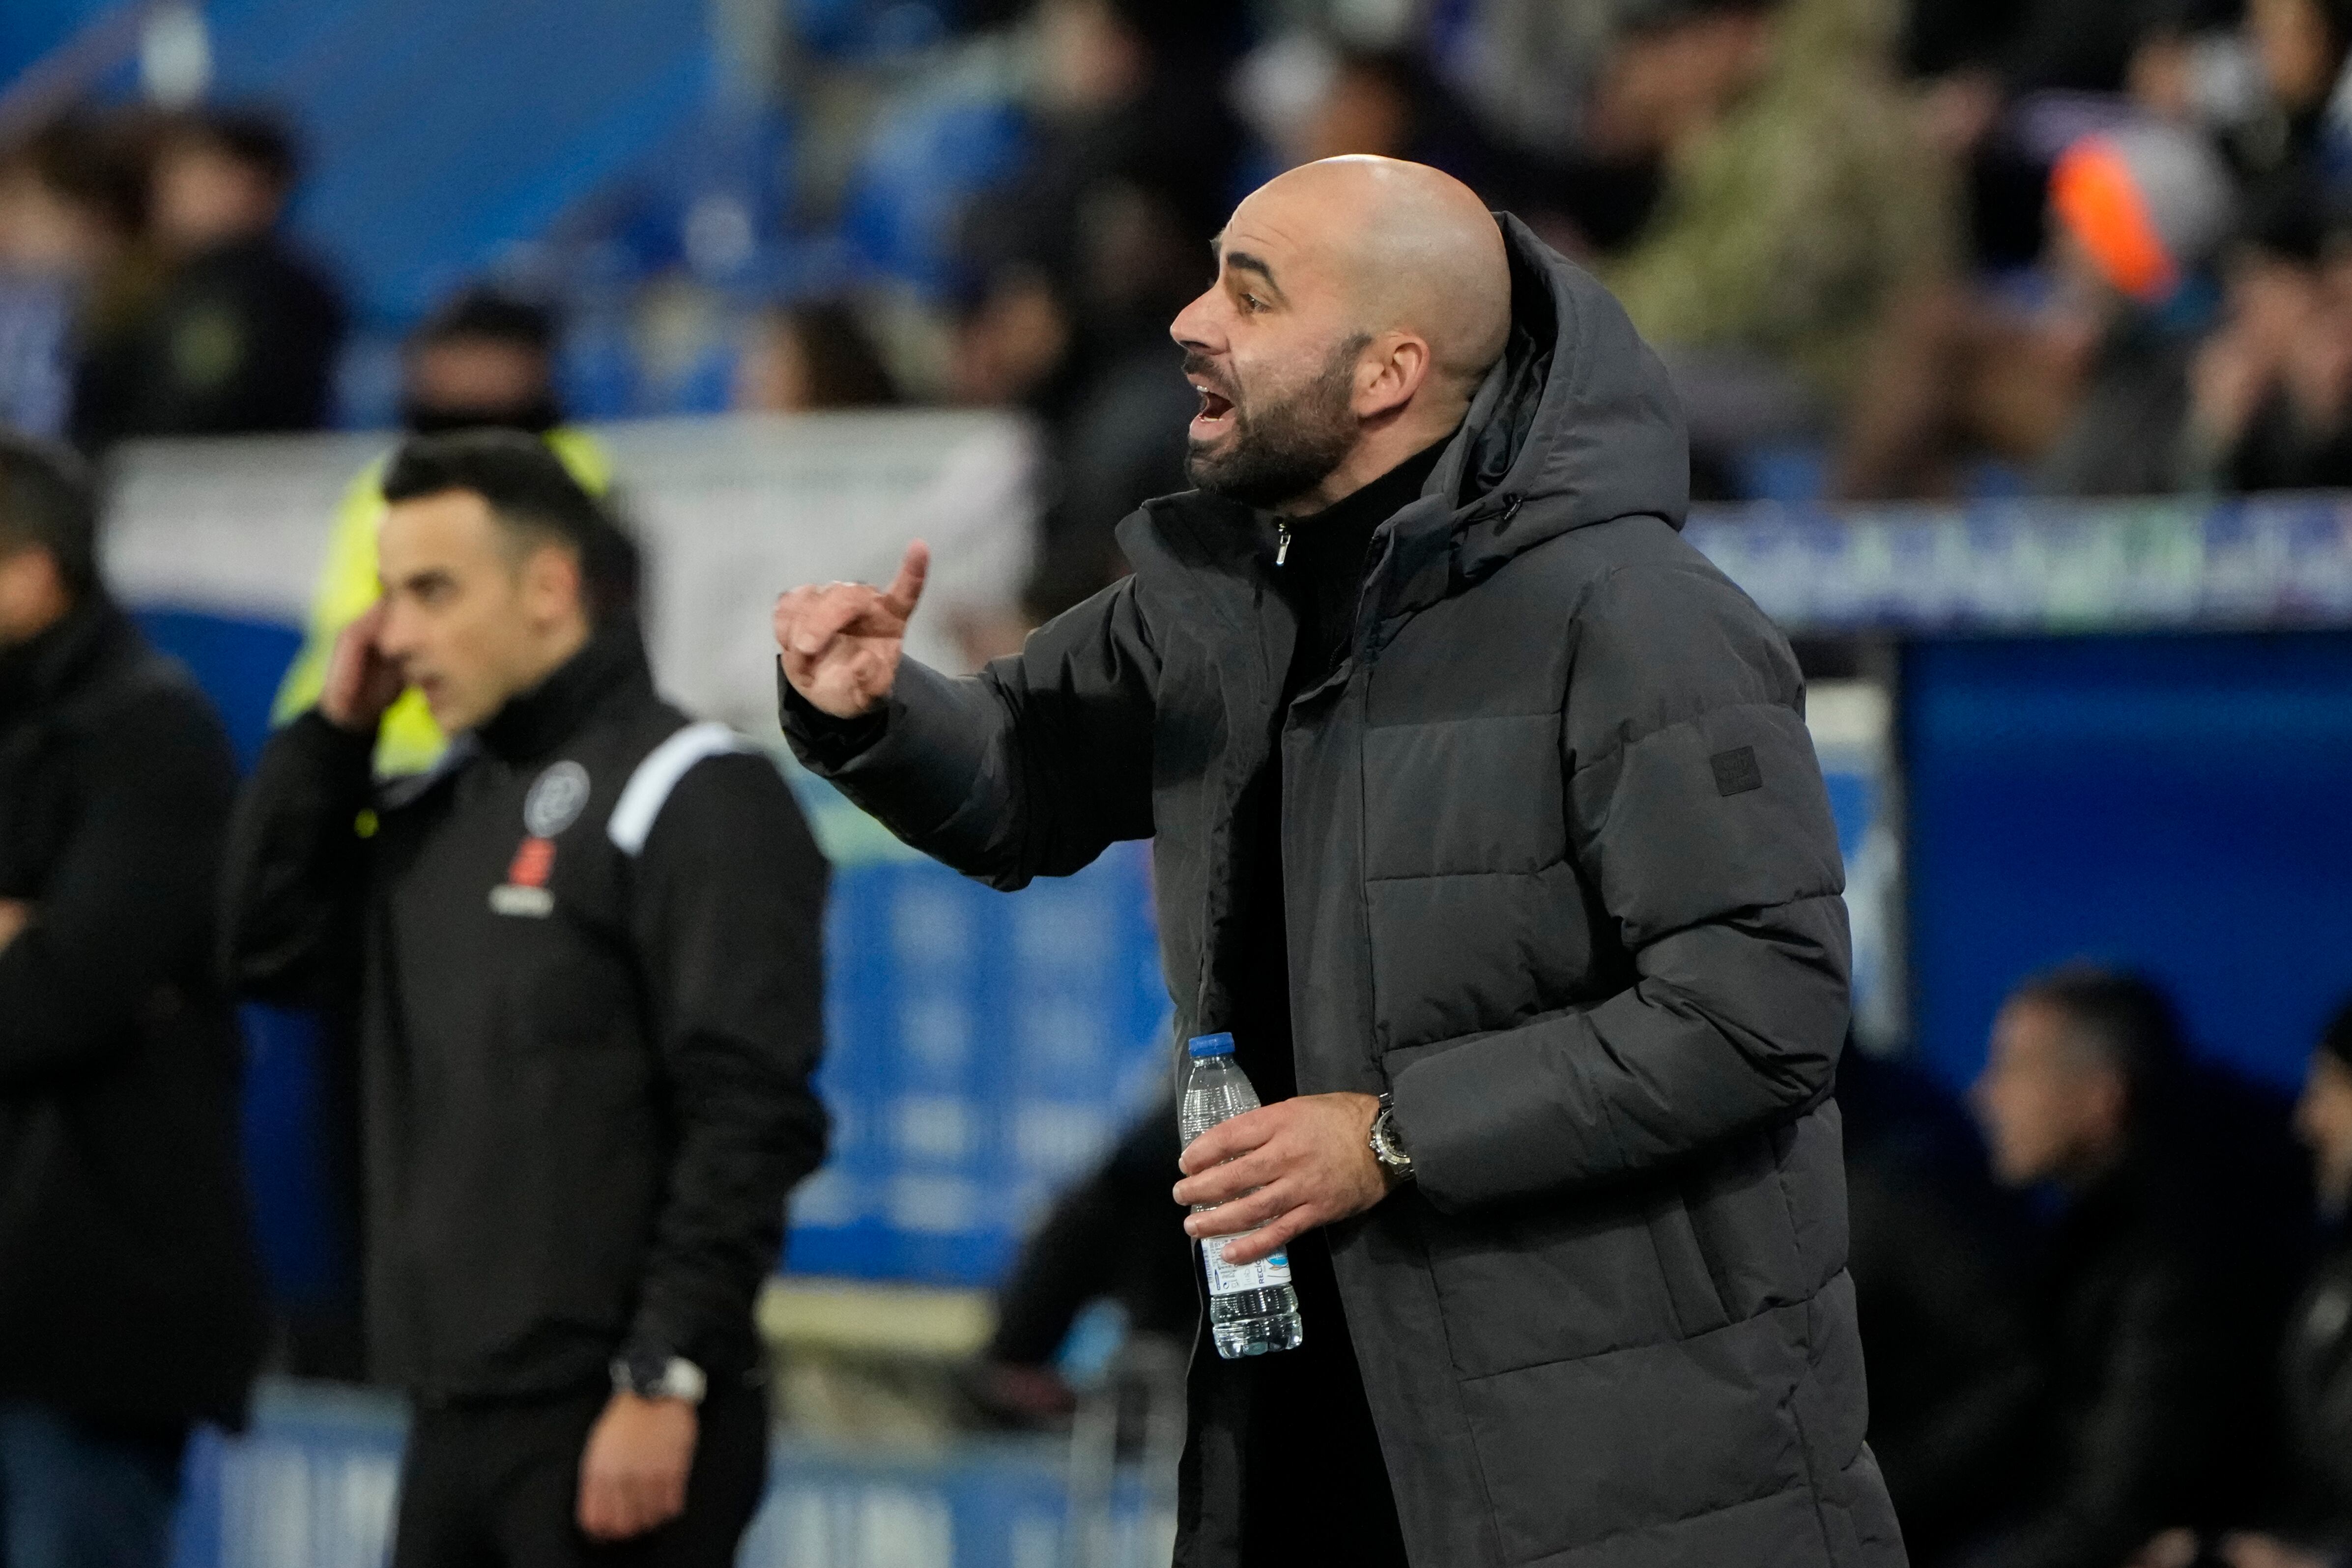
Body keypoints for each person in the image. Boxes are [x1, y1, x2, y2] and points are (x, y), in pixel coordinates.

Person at [776, 156, 1893, 1568]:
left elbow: (1758, 1008)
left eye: (1249, 293)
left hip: (1615, 1476)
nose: (1189, 320)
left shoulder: (1640, 618)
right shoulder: (1220, 599)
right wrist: (875, 709)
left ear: (1388, 372)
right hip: (1298, 1431)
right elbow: (1020, 780)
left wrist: (1388, 1135)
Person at [221, 430, 829, 1567]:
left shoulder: (695, 790)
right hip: (450, 1410)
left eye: (431, 591)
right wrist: (330, 738)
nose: (394, 631)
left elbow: (750, 1113)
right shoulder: (438, 811)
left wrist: (666, 1368)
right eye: (383, 594)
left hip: (621, 1411)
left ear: (550, 586)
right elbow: (265, 948)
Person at [0, 433, 266, 1565]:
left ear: (31, 570)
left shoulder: (152, 731)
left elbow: (61, 995)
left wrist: (37, 946)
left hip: (90, 1313)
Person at [1966, 967, 2302, 1568]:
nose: (1984, 1096)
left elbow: (2124, 1500)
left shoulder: (2189, 1252)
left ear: (2103, 1097)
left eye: (2011, 1068)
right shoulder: (2092, 1231)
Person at [272, 287, 612, 778]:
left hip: (493, 764)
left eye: (479, 354)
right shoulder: (380, 482)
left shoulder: (568, 472)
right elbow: (343, 626)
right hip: (366, 754)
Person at [69, 108, 344, 450]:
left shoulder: (269, 291)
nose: (174, 191)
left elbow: (201, 407)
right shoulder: (139, 276)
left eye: (199, 176)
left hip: (217, 487)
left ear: (253, 187)